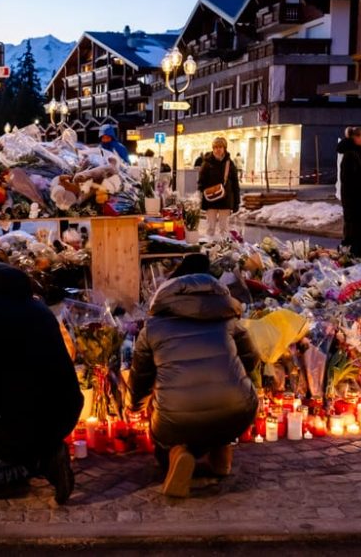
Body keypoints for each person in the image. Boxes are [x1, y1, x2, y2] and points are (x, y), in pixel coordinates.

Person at [0, 262, 81, 504]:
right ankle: (44, 452)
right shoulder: (39, 308)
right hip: (64, 410)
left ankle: (40, 464)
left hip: (20, 422)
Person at [130, 272, 260, 498]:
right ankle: (221, 454)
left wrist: (136, 405)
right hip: (237, 410)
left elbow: (141, 376)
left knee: (166, 430)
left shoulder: (152, 329)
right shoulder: (230, 323)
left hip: (176, 415)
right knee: (222, 415)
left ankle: (177, 454)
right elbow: (251, 358)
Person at [337, 127, 361, 261]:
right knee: (356, 244)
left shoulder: (354, 155)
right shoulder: (351, 156)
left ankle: (357, 261)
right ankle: (357, 264)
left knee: (357, 241)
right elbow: (355, 180)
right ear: (356, 138)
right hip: (356, 208)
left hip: (356, 208)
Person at [198, 138, 240, 239]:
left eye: (220, 147)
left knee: (224, 229)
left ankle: (223, 247)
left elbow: (235, 184)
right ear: (213, 149)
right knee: (210, 228)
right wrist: (203, 196)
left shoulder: (230, 163)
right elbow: (201, 182)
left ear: (224, 148)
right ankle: (208, 246)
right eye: (215, 147)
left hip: (225, 199)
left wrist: (236, 203)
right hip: (211, 199)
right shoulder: (207, 163)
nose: (218, 149)